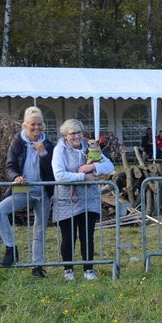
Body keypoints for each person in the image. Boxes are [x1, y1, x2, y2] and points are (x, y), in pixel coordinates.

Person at [51, 119, 114, 280]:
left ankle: (88, 270)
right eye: (72, 133)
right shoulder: (59, 150)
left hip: (89, 199)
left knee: (87, 236)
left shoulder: (90, 148)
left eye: (79, 132)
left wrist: (93, 167)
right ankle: (68, 270)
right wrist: (83, 177)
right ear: (65, 136)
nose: (76, 136)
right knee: (68, 236)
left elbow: (110, 166)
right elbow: (59, 175)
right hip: (67, 200)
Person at [0, 107, 55, 277]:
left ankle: (37, 266)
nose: (36, 128)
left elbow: (52, 171)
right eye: (33, 125)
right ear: (25, 125)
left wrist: (43, 154)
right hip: (23, 190)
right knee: (0, 209)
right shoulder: (17, 142)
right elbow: (10, 166)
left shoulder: (49, 144)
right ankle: (10, 248)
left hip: (43, 191)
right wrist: (15, 176)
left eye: (39, 125)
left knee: (39, 229)